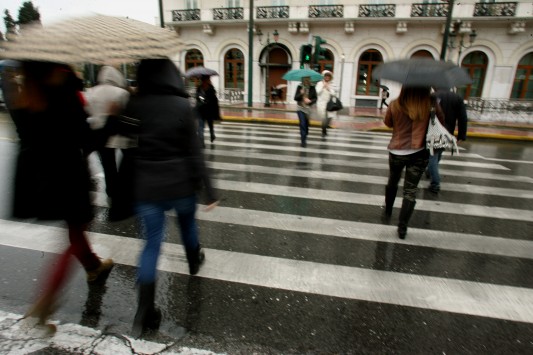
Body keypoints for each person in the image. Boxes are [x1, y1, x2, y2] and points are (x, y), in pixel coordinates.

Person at [6, 61, 114, 331]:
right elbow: (87, 140)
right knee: (76, 228)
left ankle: (92, 265)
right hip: (64, 170)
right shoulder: (63, 89)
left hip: (34, 173)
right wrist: (111, 119)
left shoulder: (25, 89)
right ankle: (46, 302)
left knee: (75, 226)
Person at [116, 59, 218, 338]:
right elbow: (196, 152)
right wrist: (210, 190)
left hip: (146, 188)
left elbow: (125, 144)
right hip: (181, 184)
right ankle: (193, 259)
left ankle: (143, 311)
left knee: (152, 244)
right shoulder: (181, 106)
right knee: (187, 226)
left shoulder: (134, 104)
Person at [383, 86, 445, 239]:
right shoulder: (429, 104)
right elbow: (441, 122)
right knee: (410, 190)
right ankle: (402, 227)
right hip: (419, 152)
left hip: (397, 150)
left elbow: (388, 123)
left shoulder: (395, 104)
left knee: (393, 179)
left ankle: (389, 209)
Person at [85, 66, 132, 199]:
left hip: (98, 133)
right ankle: (124, 187)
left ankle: (111, 190)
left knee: (108, 163)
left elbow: (87, 110)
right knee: (126, 160)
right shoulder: (122, 93)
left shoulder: (91, 92)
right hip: (119, 131)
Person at [426, 87, 468, 193]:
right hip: (447, 132)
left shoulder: (433, 96)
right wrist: (461, 135)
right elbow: (463, 117)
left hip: (434, 130)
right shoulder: (457, 98)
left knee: (433, 157)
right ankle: (430, 171)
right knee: (438, 153)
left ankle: (435, 183)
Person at [195, 75, 221, 147]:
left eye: (208, 79)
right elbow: (197, 97)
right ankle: (201, 142)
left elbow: (214, 101)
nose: (208, 80)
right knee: (200, 127)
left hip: (209, 111)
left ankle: (212, 135)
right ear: (204, 80)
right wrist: (202, 99)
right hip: (201, 110)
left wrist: (216, 113)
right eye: (207, 79)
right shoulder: (199, 88)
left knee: (210, 125)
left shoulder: (211, 89)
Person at [294, 76, 317, 147]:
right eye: (305, 79)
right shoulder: (299, 86)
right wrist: (301, 93)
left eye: (308, 79)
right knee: (302, 124)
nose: (306, 80)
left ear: (310, 80)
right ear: (303, 80)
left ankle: (305, 133)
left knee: (306, 125)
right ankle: (303, 141)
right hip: (300, 108)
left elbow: (315, 98)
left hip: (309, 109)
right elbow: (295, 98)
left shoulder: (312, 87)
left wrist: (310, 101)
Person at [315, 70, 336, 137]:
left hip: (329, 104)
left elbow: (334, 94)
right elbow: (317, 92)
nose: (327, 77)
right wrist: (323, 87)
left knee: (330, 118)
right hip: (321, 103)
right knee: (324, 118)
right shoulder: (319, 83)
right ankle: (324, 131)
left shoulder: (331, 84)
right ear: (324, 76)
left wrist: (328, 89)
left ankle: (325, 127)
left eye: (328, 76)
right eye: (326, 76)